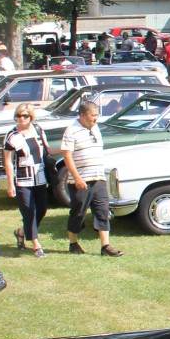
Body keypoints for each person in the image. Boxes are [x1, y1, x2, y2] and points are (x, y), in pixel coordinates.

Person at [61, 99, 122, 257]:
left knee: (103, 211)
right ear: (82, 115)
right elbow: (67, 156)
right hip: (80, 181)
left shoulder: (96, 128)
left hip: (98, 178)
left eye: (97, 115)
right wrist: (77, 178)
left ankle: (105, 246)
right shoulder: (71, 131)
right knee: (78, 212)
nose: (95, 118)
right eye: (92, 115)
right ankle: (73, 243)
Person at [3, 103, 51, 257]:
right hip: (23, 179)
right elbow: (8, 161)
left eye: (25, 116)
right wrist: (10, 184)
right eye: (18, 115)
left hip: (40, 177)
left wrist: (67, 149)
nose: (21, 119)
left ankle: (21, 232)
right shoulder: (12, 135)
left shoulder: (38, 130)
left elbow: (47, 150)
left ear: (31, 116)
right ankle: (37, 245)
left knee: (42, 209)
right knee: (29, 211)